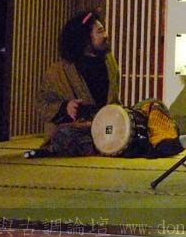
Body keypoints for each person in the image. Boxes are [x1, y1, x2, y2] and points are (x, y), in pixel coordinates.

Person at [31, 10, 120, 157]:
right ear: (85, 40)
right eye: (100, 31)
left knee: (144, 115)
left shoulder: (109, 61)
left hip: (105, 126)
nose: (106, 35)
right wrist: (65, 107)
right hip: (78, 128)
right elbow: (41, 103)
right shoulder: (58, 71)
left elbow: (113, 101)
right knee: (65, 135)